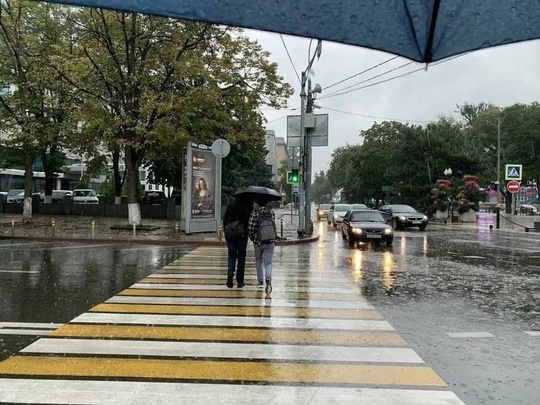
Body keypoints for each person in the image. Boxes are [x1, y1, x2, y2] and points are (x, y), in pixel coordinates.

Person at [223, 197, 253, 288]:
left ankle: (230, 277)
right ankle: (240, 281)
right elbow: (249, 222)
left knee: (231, 256)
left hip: (231, 234)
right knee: (241, 257)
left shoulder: (231, 204)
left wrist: (226, 230)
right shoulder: (248, 206)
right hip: (242, 235)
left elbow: (225, 219)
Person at [248, 198, 276, 294]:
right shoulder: (271, 213)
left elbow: (251, 228)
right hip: (270, 241)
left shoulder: (254, 214)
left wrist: (252, 238)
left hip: (258, 242)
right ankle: (268, 278)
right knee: (268, 262)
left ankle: (260, 281)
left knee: (259, 261)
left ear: (258, 204)